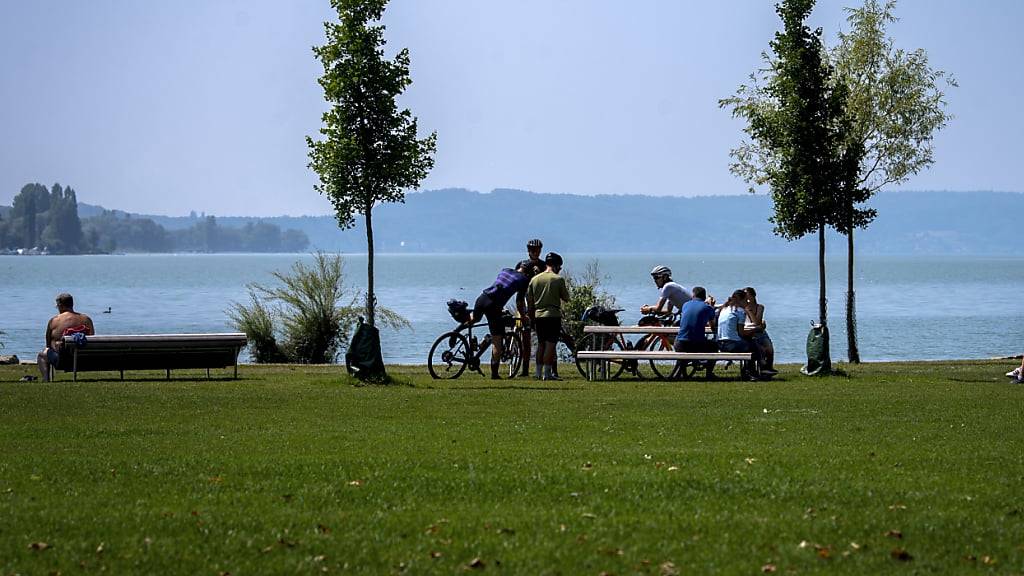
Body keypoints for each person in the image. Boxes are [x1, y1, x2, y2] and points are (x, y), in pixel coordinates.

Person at [469, 261, 533, 379]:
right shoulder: (524, 280)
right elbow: (519, 303)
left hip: (482, 298)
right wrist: (524, 317)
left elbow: (500, 287)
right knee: (497, 340)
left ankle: (455, 334)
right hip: (493, 306)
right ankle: (494, 374)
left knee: (473, 319)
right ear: (529, 273)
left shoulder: (506, 270)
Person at [527, 252, 570, 381]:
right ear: (556, 266)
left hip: (538, 316)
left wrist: (531, 317)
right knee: (550, 345)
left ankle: (538, 373)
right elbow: (566, 298)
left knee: (540, 344)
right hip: (553, 315)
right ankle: (547, 373)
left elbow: (529, 301)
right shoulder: (558, 279)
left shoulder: (534, 280)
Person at [37, 292, 95, 381]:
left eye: (57, 306)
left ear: (61, 306)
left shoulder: (54, 321)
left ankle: (46, 379)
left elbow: (48, 345)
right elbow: (92, 340)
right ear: (72, 304)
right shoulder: (86, 319)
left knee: (42, 354)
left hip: (63, 362)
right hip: (84, 361)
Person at [716, 289, 762, 380]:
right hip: (732, 344)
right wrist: (756, 329)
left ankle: (750, 370)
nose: (747, 302)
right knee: (754, 345)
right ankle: (752, 372)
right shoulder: (740, 311)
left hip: (720, 344)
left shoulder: (724, 309)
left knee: (750, 343)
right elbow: (741, 333)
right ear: (740, 300)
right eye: (745, 300)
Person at [519, 238, 545, 377]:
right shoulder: (522, 265)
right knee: (525, 339)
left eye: (537, 250)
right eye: (532, 250)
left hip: (539, 306)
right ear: (528, 251)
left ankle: (550, 369)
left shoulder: (544, 265)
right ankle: (524, 370)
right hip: (525, 304)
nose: (534, 252)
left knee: (544, 339)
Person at [743, 287, 777, 376]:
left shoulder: (760, 307)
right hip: (749, 333)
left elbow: (757, 322)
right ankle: (757, 369)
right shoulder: (742, 308)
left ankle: (768, 368)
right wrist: (747, 310)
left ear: (753, 296)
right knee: (759, 349)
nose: (746, 298)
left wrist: (749, 311)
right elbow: (756, 323)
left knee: (769, 349)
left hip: (760, 332)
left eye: (748, 295)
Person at [675, 286, 718, 353]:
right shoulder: (707, 307)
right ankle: (707, 363)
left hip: (679, 344)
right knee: (714, 346)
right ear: (704, 297)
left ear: (693, 295)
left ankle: (683, 362)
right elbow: (712, 325)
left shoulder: (685, 305)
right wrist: (711, 306)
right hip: (696, 345)